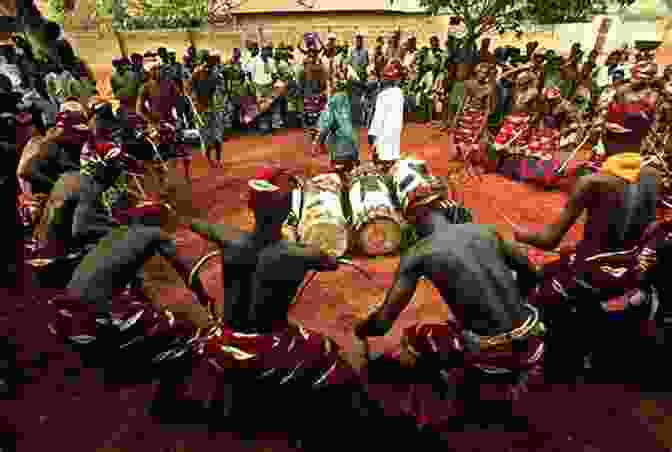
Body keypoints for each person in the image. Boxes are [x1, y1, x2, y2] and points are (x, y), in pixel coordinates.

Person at [354, 186, 545, 428]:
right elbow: (531, 274)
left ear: (413, 219)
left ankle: (438, 415)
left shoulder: (418, 253)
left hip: (489, 355)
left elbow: (382, 324)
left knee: (414, 341)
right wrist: (512, 304)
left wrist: (361, 329)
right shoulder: (486, 231)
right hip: (533, 341)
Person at [311, 64, 359, 174]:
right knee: (351, 175)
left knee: (340, 177)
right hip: (352, 146)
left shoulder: (333, 102)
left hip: (339, 150)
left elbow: (325, 126)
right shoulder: (348, 99)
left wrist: (317, 143)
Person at [369, 60, 404, 172]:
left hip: (382, 141)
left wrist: (372, 136)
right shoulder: (399, 93)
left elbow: (377, 120)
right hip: (394, 142)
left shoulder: (383, 96)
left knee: (381, 167)